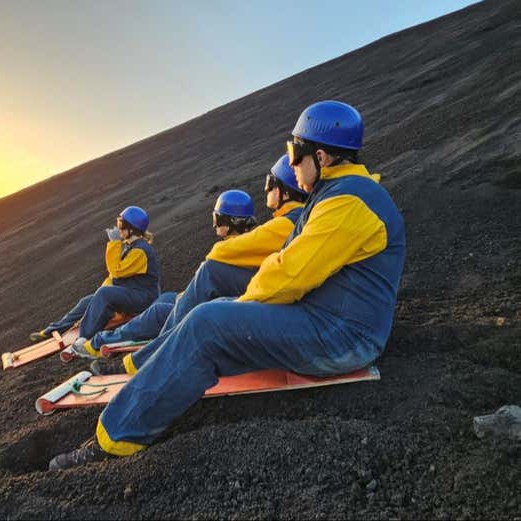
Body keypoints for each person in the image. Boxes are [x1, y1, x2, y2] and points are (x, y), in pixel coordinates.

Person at [49, 100, 406, 470]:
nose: (292, 165)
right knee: (211, 316)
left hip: (343, 337)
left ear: (321, 157)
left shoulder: (348, 203)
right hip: (331, 320)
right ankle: (148, 373)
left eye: (294, 155)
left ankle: (114, 440)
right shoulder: (341, 195)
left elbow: (290, 275)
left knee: (209, 323)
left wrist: (239, 307)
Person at [90, 156, 307, 375]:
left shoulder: (287, 222)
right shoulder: (287, 221)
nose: (267, 190)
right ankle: (147, 345)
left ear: (284, 191)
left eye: (270, 184)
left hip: (264, 296)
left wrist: (113, 245)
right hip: (263, 290)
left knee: (185, 290)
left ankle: (138, 355)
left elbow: (218, 255)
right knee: (168, 300)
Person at [86, 189, 260, 357]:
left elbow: (116, 271)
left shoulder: (224, 251)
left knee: (157, 312)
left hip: (214, 310)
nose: (214, 223)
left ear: (228, 222)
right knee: (166, 299)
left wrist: (114, 244)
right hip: (225, 303)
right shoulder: (255, 242)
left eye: (217, 218)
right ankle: (134, 331)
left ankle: (98, 343)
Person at [64, 206, 161, 358]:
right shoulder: (131, 247)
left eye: (121, 224)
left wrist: (114, 243)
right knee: (93, 298)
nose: (118, 228)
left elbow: (116, 271)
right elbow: (115, 276)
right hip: (134, 293)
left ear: (132, 229)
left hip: (144, 298)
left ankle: (84, 339)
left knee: (104, 294)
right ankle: (90, 330)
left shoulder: (140, 251)